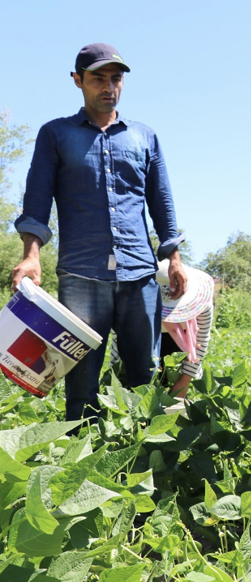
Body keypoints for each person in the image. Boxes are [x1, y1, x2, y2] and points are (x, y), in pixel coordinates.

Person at [11, 43, 187, 422]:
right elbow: (37, 199)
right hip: (81, 276)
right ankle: (82, 466)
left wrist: (173, 258)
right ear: (78, 81)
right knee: (81, 383)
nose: (109, 87)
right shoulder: (56, 135)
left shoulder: (143, 137)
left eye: (116, 79)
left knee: (144, 374)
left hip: (140, 275)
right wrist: (31, 254)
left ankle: (142, 461)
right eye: (97, 79)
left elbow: (162, 202)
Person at [110, 260, 214, 407]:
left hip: (181, 357)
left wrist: (184, 382)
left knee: (175, 412)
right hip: (140, 346)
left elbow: (201, 342)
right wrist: (118, 381)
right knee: (136, 406)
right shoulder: (129, 305)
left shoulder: (201, 303)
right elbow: (119, 343)